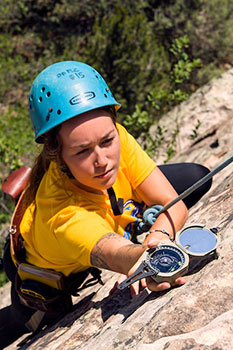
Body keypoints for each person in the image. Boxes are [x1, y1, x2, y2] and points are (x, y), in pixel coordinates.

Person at [1, 61, 212, 347]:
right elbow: (120, 254)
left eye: (107, 140)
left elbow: (173, 203)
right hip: (42, 270)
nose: (102, 160)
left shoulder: (115, 139)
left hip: (101, 208)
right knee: (19, 321)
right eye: (82, 151)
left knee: (195, 177)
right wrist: (146, 259)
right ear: (57, 155)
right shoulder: (62, 215)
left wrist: (158, 233)